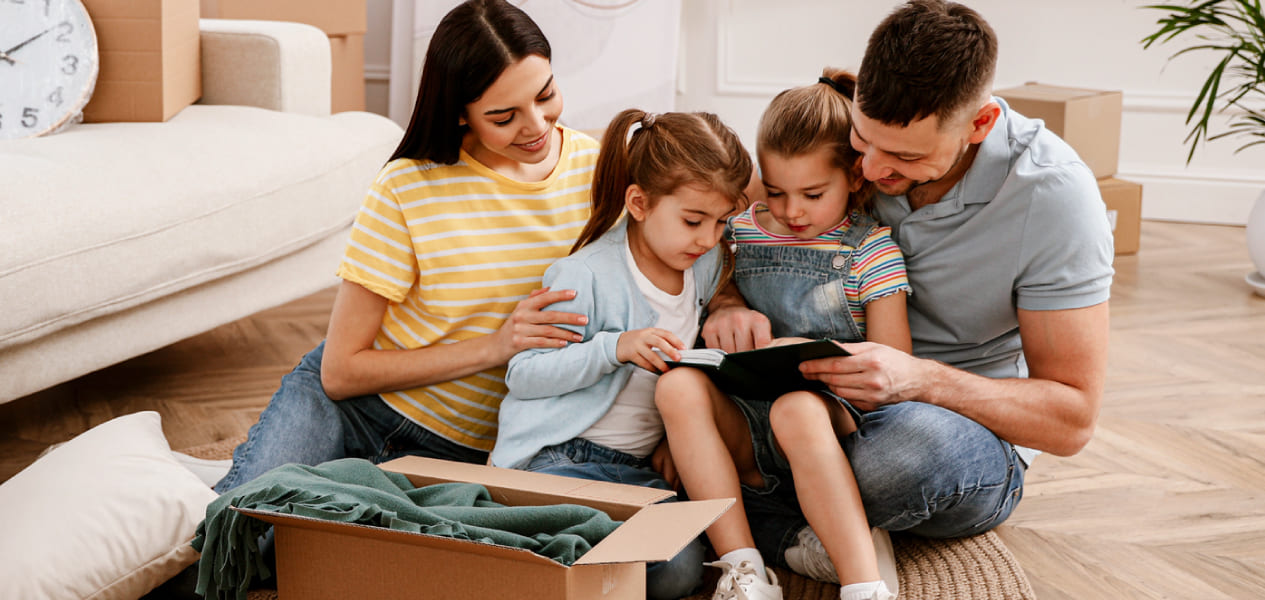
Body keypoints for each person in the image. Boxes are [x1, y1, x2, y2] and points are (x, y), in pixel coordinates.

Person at [699, 0, 1113, 586]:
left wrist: (921, 380)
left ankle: (767, 526)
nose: (869, 169)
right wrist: (725, 302)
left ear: (980, 124)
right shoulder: (846, 138)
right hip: (812, 408)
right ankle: (798, 522)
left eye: (905, 157)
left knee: (897, 464)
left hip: (951, 426)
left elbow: (1071, 420)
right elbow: (730, 222)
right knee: (677, 407)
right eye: (863, 142)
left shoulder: (1051, 197)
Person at [212, 0, 601, 494]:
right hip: (355, 409)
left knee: (326, 553)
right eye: (504, 117)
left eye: (545, 95)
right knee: (239, 533)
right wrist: (497, 346)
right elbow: (340, 371)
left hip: (476, 451)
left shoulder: (594, 170)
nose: (538, 126)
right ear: (461, 115)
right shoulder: (406, 187)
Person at [654, 70, 908, 600]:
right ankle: (743, 569)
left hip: (832, 412)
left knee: (796, 406)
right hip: (744, 409)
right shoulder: (739, 231)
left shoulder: (871, 248)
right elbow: (704, 299)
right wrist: (726, 303)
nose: (792, 212)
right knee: (676, 389)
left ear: (854, 179)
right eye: (775, 192)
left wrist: (804, 357)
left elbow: (895, 360)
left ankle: (865, 587)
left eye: (813, 194)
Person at [492, 108, 751, 600]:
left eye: (721, 222)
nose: (709, 237)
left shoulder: (704, 261)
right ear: (639, 202)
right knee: (603, 553)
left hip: (637, 473)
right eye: (694, 220)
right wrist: (613, 347)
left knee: (679, 568)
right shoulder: (585, 274)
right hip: (559, 458)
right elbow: (524, 376)